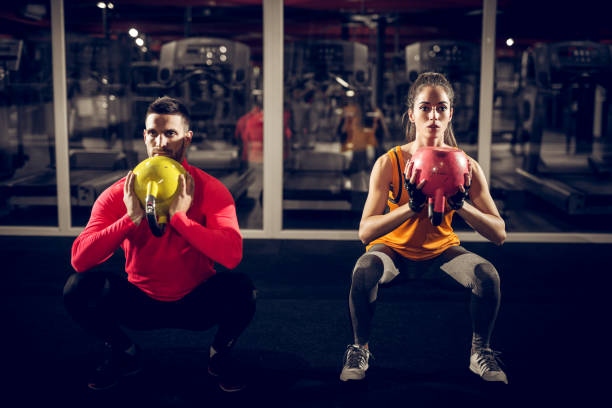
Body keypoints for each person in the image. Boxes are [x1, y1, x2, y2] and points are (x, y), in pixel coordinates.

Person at [64, 96, 256, 392]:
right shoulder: (121, 193)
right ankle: (123, 352)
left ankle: (219, 355)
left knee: (243, 289)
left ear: (187, 139)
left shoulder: (211, 190)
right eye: (153, 132)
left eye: (171, 134)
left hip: (196, 302)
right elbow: (80, 259)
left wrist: (180, 219)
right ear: (144, 136)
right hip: (139, 301)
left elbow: (232, 256)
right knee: (77, 288)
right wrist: (130, 218)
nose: (161, 142)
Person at [339, 72, 508, 384]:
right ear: (412, 114)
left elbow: (498, 233)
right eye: (425, 107)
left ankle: (480, 352)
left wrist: (462, 205)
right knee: (363, 269)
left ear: (450, 114)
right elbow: (365, 232)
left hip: (441, 254)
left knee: (488, 275)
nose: (433, 116)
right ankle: (359, 348)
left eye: (441, 108)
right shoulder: (389, 162)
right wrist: (412, 207)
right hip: (393, 254)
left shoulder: (466, 166)